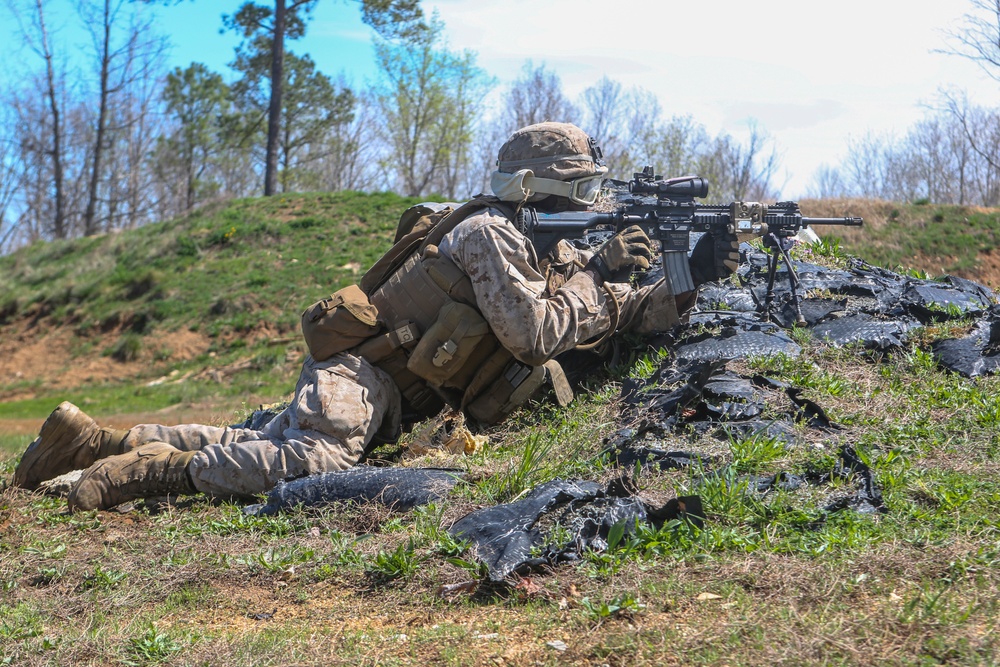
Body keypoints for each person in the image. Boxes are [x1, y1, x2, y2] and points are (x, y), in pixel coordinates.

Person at [12, 121, 738, 512]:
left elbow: (614, 314)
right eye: (584, 189)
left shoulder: (543, 245)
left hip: (387, 386)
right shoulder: (490, 235)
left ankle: (92, 439)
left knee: (257, 434)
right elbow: (533, 335)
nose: (594, 204)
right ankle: (143, 474)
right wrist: (604, 271)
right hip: (362, 374)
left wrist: (690, 277)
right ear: (541, 188)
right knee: (314, 458)